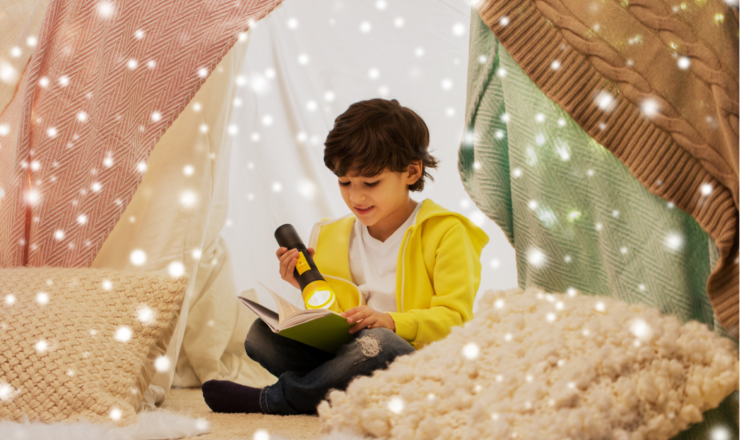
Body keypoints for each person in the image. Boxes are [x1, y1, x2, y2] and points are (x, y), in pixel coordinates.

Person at [202, 98, 489, 415]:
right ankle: (334, 391)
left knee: (378, 342)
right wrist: (306, 287)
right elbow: (337, 319)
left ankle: (274, 399)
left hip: (412, 360)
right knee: (259, 336)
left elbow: (455, 319)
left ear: (411, 172)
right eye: (344, 182)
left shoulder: (447, 232)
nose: (356, 196)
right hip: (352, 356)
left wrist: (393, 322)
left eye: (371, 182)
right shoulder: (332, 234)